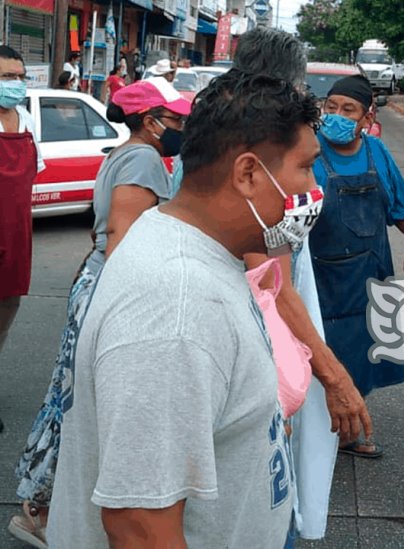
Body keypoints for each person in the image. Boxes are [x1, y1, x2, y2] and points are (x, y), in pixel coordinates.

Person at [44, 73, 318, 548]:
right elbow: (140, 527)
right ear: (249, 173)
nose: (313, 189)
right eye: (307, 167)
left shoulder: (193, 244)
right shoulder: (176, 310)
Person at [170, 27, 371, 543]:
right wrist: (332, 374)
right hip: (253, 323)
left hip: (259, 310)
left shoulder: (222, 130)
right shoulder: (253, 148)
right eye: (304, 169)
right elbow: (271, 276)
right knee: (252, 477)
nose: (308, 185)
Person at [8, 78, 188, 548]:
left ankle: (44, 506)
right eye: (175, 120)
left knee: (71, 394)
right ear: (150, 122)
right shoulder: (145, 158)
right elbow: (123, 237)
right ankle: (42, 510)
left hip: (97, 277)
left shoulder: (126, 152)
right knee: (81, 402)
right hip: (111, 283)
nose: (181, 127)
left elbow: (101, 232)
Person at [310, 74, 404, 457]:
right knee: (320, 350)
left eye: (348, 110)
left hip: (369, 271)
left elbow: (403, 208)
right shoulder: (307, 150)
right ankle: (320, 433)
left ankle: (344, 431)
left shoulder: (376, 152)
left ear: (366, 115)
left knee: (362, 349)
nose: (337, 116)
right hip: (320, 273)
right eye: (332, 107)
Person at [0, 45, 45, 435]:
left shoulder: (27, 121)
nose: (13, 84)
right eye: (5, 77)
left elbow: (35, 172)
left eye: (18, 76)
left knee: (6, 315)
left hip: (17, 237)